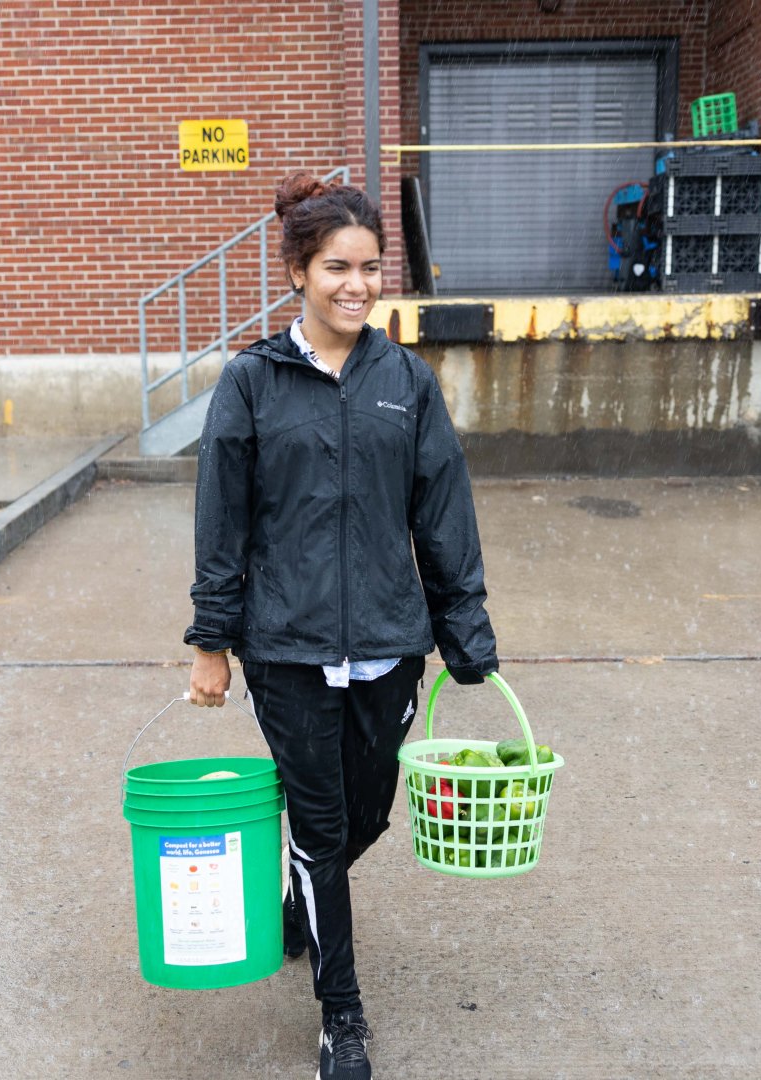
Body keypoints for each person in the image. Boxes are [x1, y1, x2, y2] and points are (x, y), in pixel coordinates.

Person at [185, 172, 498, 1080]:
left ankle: (301, 901)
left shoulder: (407, 381)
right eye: (336, 267)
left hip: (390, 646)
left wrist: (461, 626)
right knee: (322, 830)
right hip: (284, 646)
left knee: (367, 818)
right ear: (297, 271)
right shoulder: (251, 383)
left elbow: (443, 511)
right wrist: (213, 641)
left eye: (369, 268)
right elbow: (222, 522)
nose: (356, 286)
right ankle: (342, 1013)